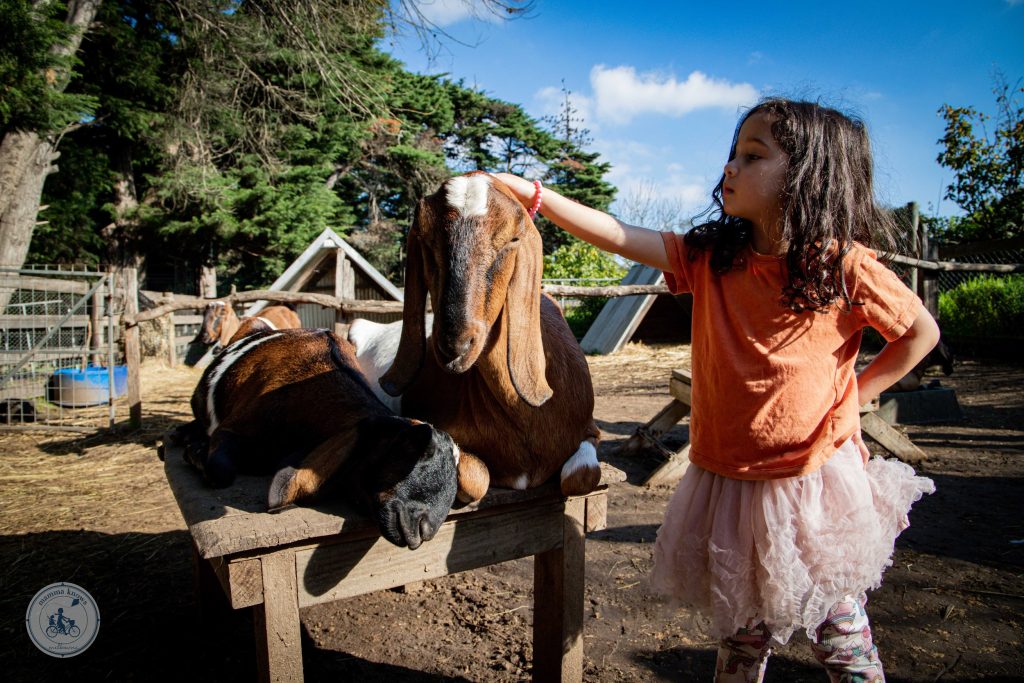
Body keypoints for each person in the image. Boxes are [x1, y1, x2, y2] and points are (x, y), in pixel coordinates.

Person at [493, 98, 938, 683]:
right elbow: (622, 236)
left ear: (808, 172)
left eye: (753, 155)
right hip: (726, 484)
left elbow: (919, 334)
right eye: (733, 152)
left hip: (810, 484)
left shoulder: (842, 266)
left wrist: (854, 398)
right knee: (739, 639)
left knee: (840, 635)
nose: (730, 166)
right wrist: (536, 197)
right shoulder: (711, 259)